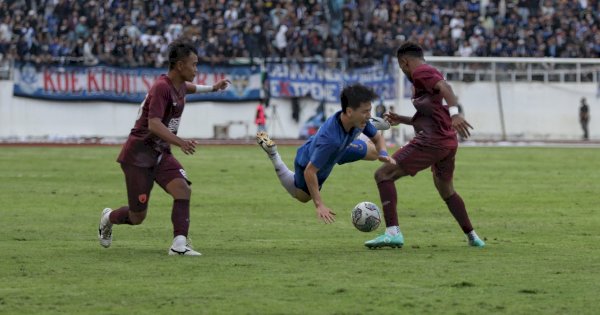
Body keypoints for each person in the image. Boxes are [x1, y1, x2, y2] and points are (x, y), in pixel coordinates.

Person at [98, 38, 230, 256]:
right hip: (139, 155)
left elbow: (191, 88)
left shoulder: (179, 86)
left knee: (183, 189)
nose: (197, 69)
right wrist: (181, 142)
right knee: (137, 216)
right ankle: (108, 218)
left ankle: (178, 245)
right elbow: (154, 124)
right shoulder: (162, 88)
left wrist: (213, 88)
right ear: (180, 65)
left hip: (160, 153)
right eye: (194, 64)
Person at [365, 42, 485, 249]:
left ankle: (392, 233)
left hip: (431, 141)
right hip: (446, 142)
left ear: (404, 62)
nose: (403, 71)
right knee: (446, 191)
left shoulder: (421, 72)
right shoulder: (425, 77)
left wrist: (455, 113)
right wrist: (400, 119)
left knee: (383, 175)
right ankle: (473, 237)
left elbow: (447, 89)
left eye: (402, 67)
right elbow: (427, 116)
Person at [256, 84, 395, 223]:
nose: (369, 115)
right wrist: (319, 204)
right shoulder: (330, 140)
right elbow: (309, 172)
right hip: (310, 160)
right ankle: (273, 154)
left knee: (376, 153)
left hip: (342, 147)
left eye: (370, 111)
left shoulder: (358, 121)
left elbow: (377, 139)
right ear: (349, 111)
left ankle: (375, 127)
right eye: (366, 112)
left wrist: (383, 153)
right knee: (303, 197)